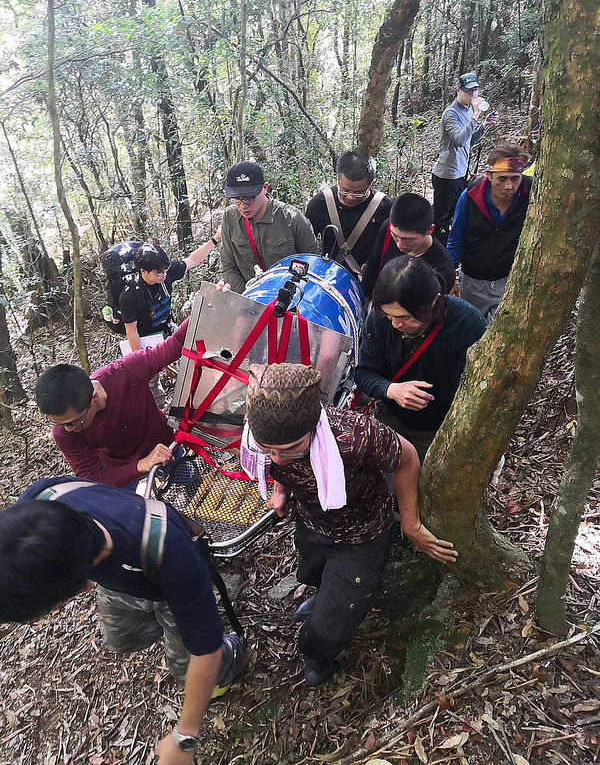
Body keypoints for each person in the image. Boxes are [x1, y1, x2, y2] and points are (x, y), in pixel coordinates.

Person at [240, 363, 457, 687]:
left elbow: (406, 457)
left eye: (289, 449)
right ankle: (322, 599)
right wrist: (280, 489)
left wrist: (410, 524)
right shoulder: (260, 431)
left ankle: (318, 651)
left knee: (333, 620)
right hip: (313, 521)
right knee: (314, 573)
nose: (278, 458)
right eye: (267, 449)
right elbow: (275, 463)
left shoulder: (354, 435)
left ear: (313, 427)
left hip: (362, 534)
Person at [0, 480, 245, 765]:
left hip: (163, 582)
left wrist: (184, 737)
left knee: (193, 668)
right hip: (121, 579)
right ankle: (181, 629)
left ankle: (235, 653)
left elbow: (206, 650)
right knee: (121, 638)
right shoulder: (38, 506)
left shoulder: (170, 552)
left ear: (81, 585)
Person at [355, 257, 486, 462]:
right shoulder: (380, 318)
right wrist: (391, 390)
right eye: (390, 316)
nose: (396, 324)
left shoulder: (466, 323)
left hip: (438, 430)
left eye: (405, 317)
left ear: (432, 302)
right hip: (390, 419)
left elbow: (480, 388)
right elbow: (363, 373)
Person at [35, 320, 190, 488]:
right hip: (125, 475)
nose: (68, 429)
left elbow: (176, 344)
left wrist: (213, 297)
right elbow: (92, 476)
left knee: (191, 481)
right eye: (58, 423)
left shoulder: (126, 372)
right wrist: (142, 465)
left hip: (168, 448)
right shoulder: (63, 432)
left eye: (74, 422)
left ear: (94, 397)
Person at [447, 143, 532, 322]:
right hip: (473, 283)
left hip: (508, 281)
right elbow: (455, 240)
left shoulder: (530, 193)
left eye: (515, 178)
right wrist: (448, 278)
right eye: (502, 179)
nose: (509, 186)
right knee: (476, 332)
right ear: (490, 176)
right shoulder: (471, 196)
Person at [220, 161, 318, 294]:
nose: (243, 206)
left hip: (290, 300)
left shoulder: (292, 218)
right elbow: (229, 266)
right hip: (250, 300)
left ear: (265, 188)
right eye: (237, 199)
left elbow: (312, 265)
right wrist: (246, 299)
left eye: (249, 198)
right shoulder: (229, 217)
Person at [119, 238, 220, 354]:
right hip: (146, 339)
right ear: (143, 271)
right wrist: (139, 356)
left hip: (167, 329)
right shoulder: (130, 294)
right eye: (158, 274)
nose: (163, 275)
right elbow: (131, 329)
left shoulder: (164, 273)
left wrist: (215, 239)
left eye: (165, 271)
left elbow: (192, 260)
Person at [305, 151, 393, 278]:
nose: (351, 197)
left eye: (359, 193)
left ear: (371, 183)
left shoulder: (383, 207)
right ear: (338, 180)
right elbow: (306, 246)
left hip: (367, 279)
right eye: (345, 191)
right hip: (327, 277)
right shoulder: (320, 203)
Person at [431, 72, 497, 240]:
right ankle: (435, 254)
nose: (473, 95)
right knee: (440, 220)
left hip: (460, 175)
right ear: (458, 90)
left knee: (455, 215)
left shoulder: (468, 111)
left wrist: (483, 127)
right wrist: (475, 115)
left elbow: (468, 142)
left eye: (475, 90)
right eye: (469, 91)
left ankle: (448, 252)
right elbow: (459, 140)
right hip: (446, 176)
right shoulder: (451, 113)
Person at [362, 193, 456, 300]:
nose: (400, 245)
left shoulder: (442, 270)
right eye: (395, 236)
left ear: (429, 230)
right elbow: (372, 266)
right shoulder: (387, 229)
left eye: (409, 239)